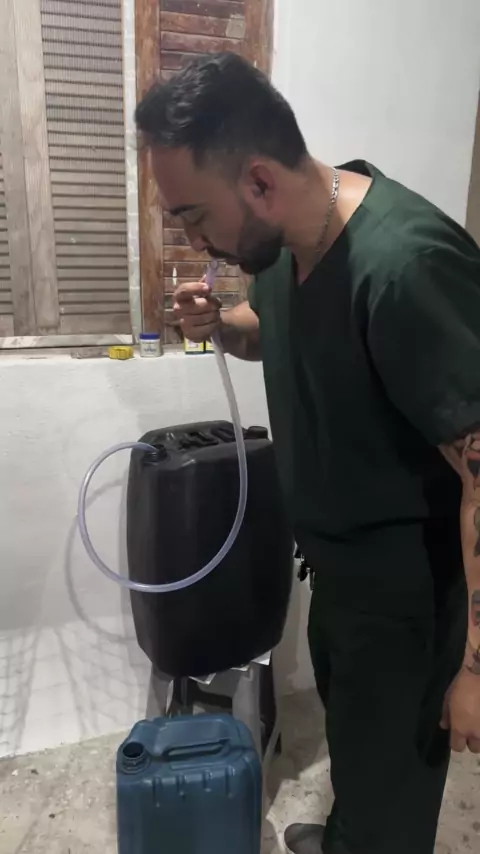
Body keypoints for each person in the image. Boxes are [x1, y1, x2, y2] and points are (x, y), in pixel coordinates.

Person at [135, 53, 480, 854]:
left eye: (194, 216)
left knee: (392, 797)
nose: (193, 239)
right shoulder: (284, 243)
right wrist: (220, 326)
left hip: (405, 605)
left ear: (258, 180)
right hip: (338, 577)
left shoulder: (405, 267)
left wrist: (474, 669)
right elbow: (274, 328)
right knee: (360, 753)